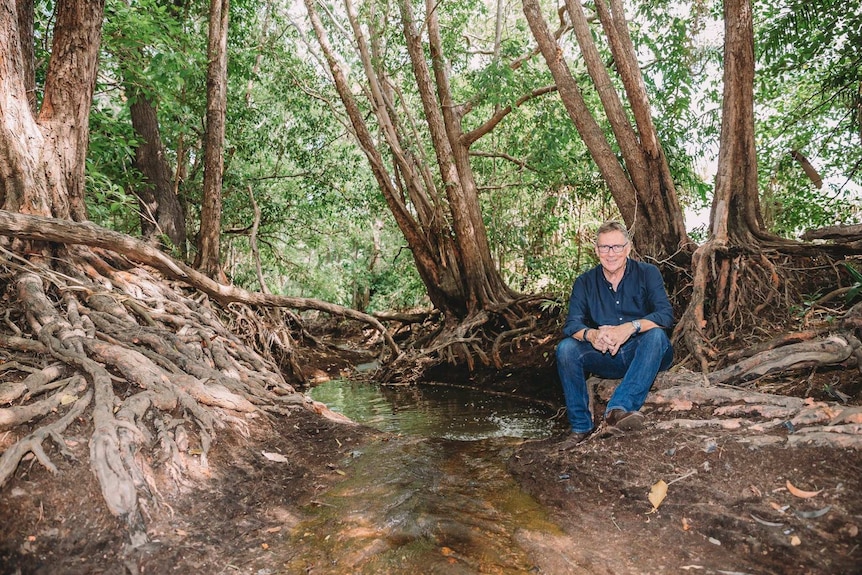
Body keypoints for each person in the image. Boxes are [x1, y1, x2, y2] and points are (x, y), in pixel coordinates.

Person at [556, 221, 674, 446]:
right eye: (604, 248)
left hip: (646, 352)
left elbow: (666, 315)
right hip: (607, 354)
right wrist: (592, 336)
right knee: (566, 348)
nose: (611, 254)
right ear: (596, 250)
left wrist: (630, 328)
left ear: (628, 248)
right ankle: (581, 428)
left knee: (656, 336)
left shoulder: (648, 273)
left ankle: (618, 410)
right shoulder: (584, 282)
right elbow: (572, 324)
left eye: (617, 247)